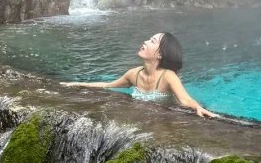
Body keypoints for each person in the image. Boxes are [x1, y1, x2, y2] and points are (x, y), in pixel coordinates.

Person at [62, 31, 218, 118]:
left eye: (152, 41)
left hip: (165, 117)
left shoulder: (168, 77)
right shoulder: (134, 74)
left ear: (160, 55)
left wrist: (198, 108)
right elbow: (107, 85)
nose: (145, 42)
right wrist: (77, 84)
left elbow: (185, 99)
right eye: (149, 39)